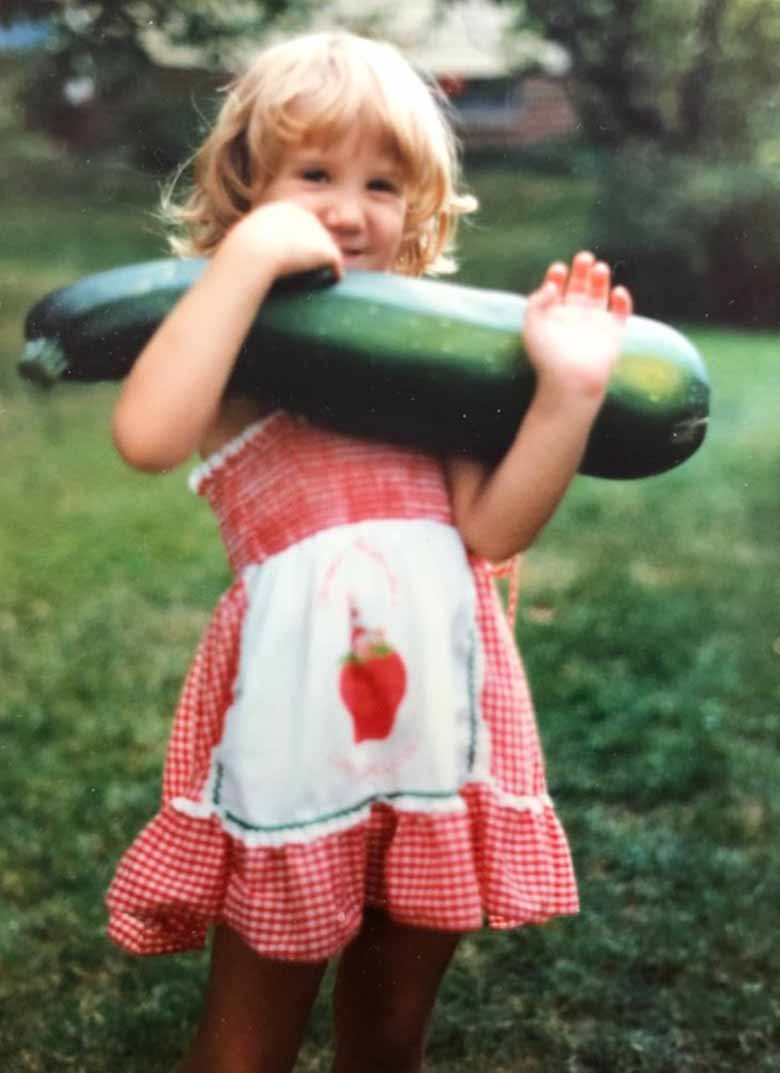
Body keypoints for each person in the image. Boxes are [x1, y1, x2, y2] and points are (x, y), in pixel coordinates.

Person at [106, 29, 632, 1073]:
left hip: (440, 729)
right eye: (314, 174)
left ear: (421, 206)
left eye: (382, 183)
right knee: (251, 1035)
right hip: (302, 731)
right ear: (249, 184)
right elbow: (149, 433)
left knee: (391, 1031)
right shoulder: (242, 345)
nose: (348, 208)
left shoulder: (422, 365)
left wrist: (568, 394)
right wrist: (248, 260)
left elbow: (492, 528)